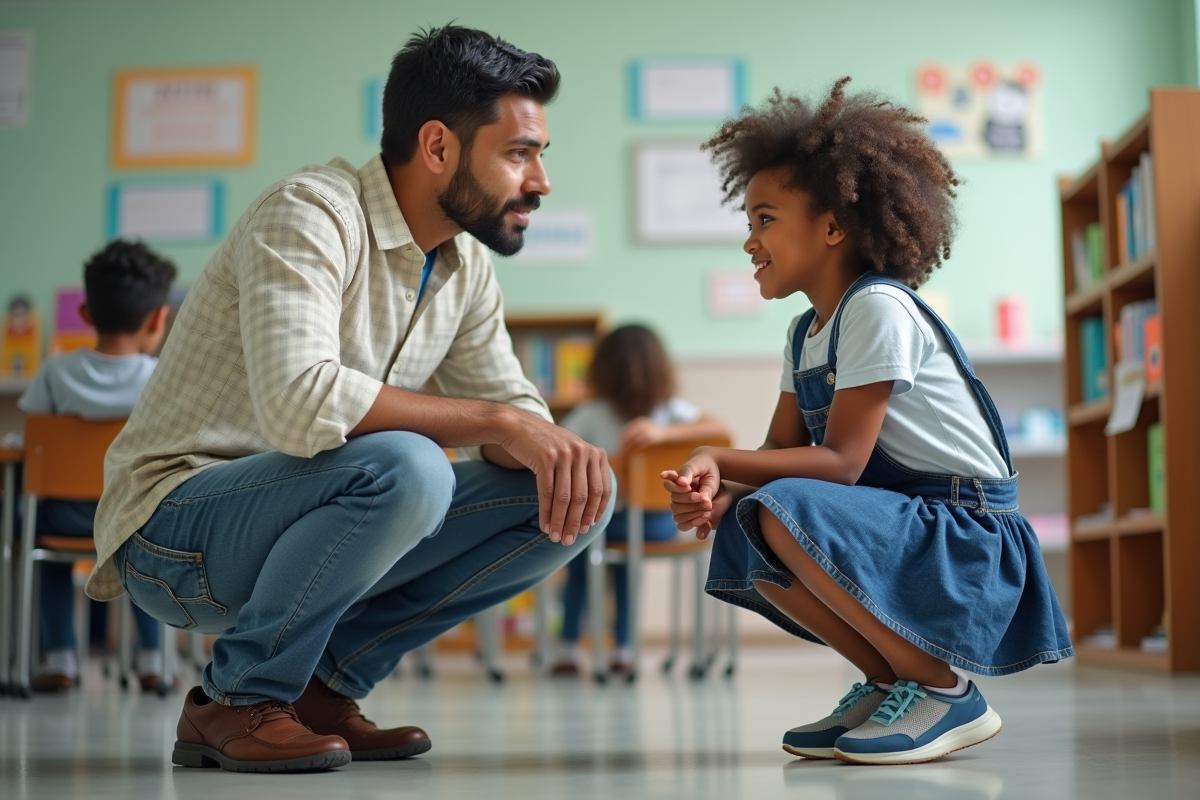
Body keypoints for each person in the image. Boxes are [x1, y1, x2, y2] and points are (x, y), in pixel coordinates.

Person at [88, 25, 612, 774]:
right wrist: (496, 422)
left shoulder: (462, 268)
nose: (540, 181)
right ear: (438, 147)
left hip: (308, 513)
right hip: (175, 530)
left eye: (540, 155)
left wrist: (534, 439)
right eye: (518, 152)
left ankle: (325, 688)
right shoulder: (308, 212)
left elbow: (523, 423)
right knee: (410, 465)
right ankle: (236, 700)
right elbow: (302, 405)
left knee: (574, 488)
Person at [663, 78, 1072, 766]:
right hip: (903, 522)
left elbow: (843, 464)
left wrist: (718, 456)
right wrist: (723, 494)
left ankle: (943, 690)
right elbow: (780, 455)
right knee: (748, 520)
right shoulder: (804, 334)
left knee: (779, 503)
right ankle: (888, 681)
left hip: (964, 538)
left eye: (765, 219)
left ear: (832, 226)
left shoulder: (877, 307)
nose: (748, 241)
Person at [18, 239, 177, 692]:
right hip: (135, 516)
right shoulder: (157, 378)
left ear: (85, 314)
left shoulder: (54, 371)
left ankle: (60, 658)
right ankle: (151, 659)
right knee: (152, 547)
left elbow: (35, 439)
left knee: (36, 535)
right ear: (158, 318)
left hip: (65, 518)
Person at [550, 325, 729, 675]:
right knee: (626, 563)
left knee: (581, 555)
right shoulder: (670, 411)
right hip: (660, 526)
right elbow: (719, 429)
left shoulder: (591, 413)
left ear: (601, 370)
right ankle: (625, 649)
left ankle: (568, 647)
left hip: (602, 525)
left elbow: (559, 449)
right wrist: (666, 433)